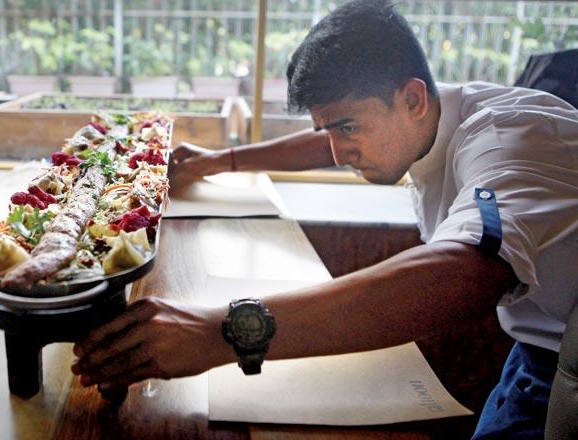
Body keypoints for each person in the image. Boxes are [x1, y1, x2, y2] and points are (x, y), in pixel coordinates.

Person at [71, 1, 578, 438]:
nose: (337, 153)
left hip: (555, 360)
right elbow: (328, 137)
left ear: (412, 99)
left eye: (347, 127)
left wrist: (220, 333)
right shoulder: (428, 109)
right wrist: (220, 161)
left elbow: (465, 274)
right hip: (534, 342)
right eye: (328, 128)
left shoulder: (507, 143)